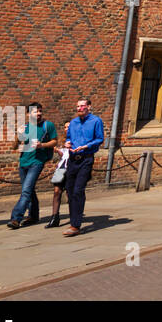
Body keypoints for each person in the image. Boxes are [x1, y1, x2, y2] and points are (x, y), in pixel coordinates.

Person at [8, 102, 58, 229]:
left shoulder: (48, 125)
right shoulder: (25, 126)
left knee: (26, 190)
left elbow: (54, 141)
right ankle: (34, 216)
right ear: (28, 114)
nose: (39, 113)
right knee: (29, 190)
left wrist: (42, 145)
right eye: (36, 111)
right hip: (23, 162)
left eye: (40, 111)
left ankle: (16, 218)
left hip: (37, 162)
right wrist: (18, 136)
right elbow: (14, 147)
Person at [62, 97, 104, 236]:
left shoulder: (96, 121)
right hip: (73, 159)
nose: (79, 108)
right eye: (78, 106)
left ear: (89, 107)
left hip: (86, 158)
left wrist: (86, 146)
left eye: (82, 106)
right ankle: (74, 219)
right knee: (69, 190)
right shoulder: (73, 123)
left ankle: (75, 225)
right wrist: (67, 143)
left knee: (78, 190)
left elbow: (99, 138)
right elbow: (68, 138)